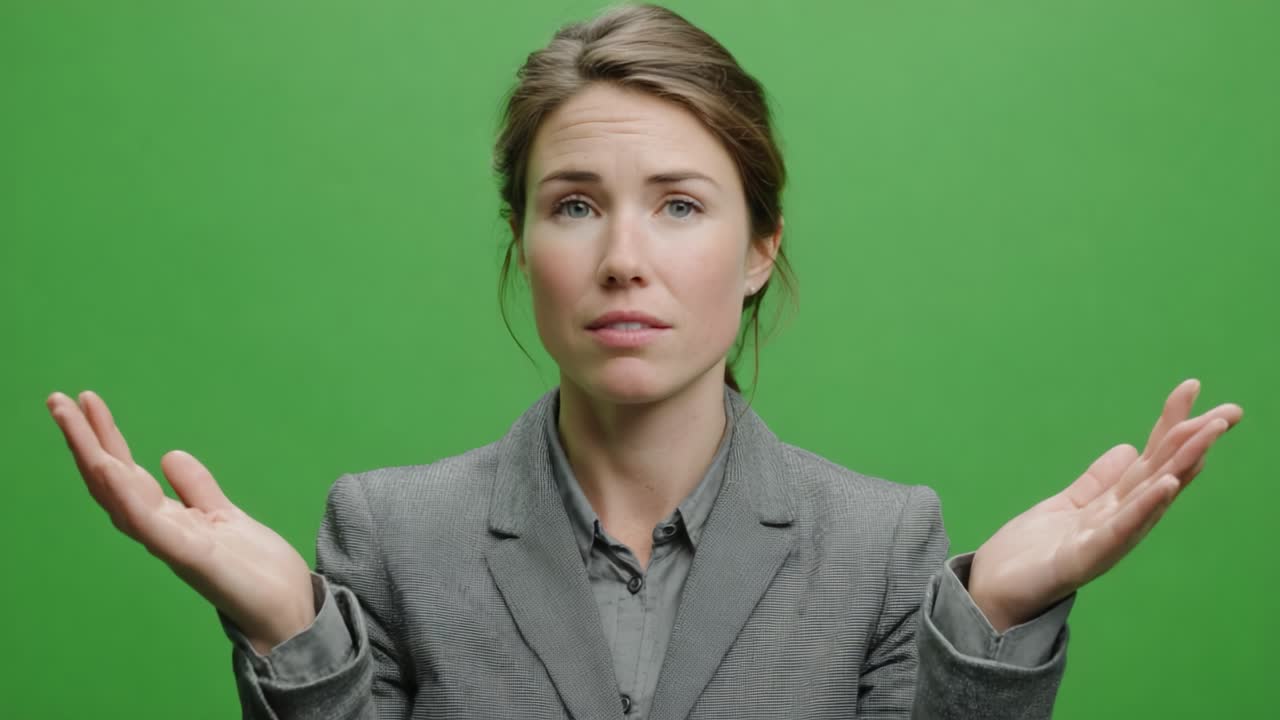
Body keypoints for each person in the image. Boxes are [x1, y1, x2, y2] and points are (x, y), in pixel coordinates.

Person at [46, 4, 1243, 719]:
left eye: (679, 205)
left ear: (760, 245)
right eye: (572, 206)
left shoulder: (885, 546)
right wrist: (290, 633)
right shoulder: (386, 536)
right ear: (522, 244)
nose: (623, 257)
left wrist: (990, 620)